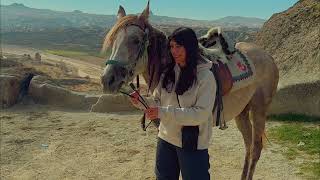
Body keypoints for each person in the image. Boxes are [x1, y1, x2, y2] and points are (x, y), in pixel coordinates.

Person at [130, 27, 216, 180]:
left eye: (179, 46)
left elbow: (200, 114)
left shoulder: (205, 77)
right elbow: (156, 102)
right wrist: (141, 101)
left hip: (192, 143)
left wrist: (162, 112)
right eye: (171, 46)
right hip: (165, 138)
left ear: (190, 46)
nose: (174, 51)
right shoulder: (167, 73)